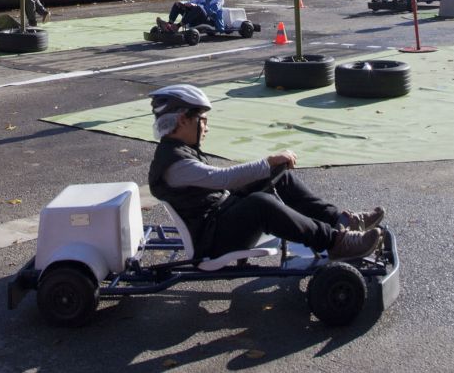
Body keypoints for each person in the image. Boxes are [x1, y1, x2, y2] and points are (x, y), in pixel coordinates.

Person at [147, 84, 385, 261]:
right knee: (260, 203)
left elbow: (222, 183)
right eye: (203, 120)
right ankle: (335, 242)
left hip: (218, 220)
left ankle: (341, 221)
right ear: (183, 120)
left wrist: (269, 170)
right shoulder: (175, 164)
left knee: (280, 177)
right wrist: (267, 161)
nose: (207, 127)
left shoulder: (178, 151)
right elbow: (222, 179)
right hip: (213, 241)